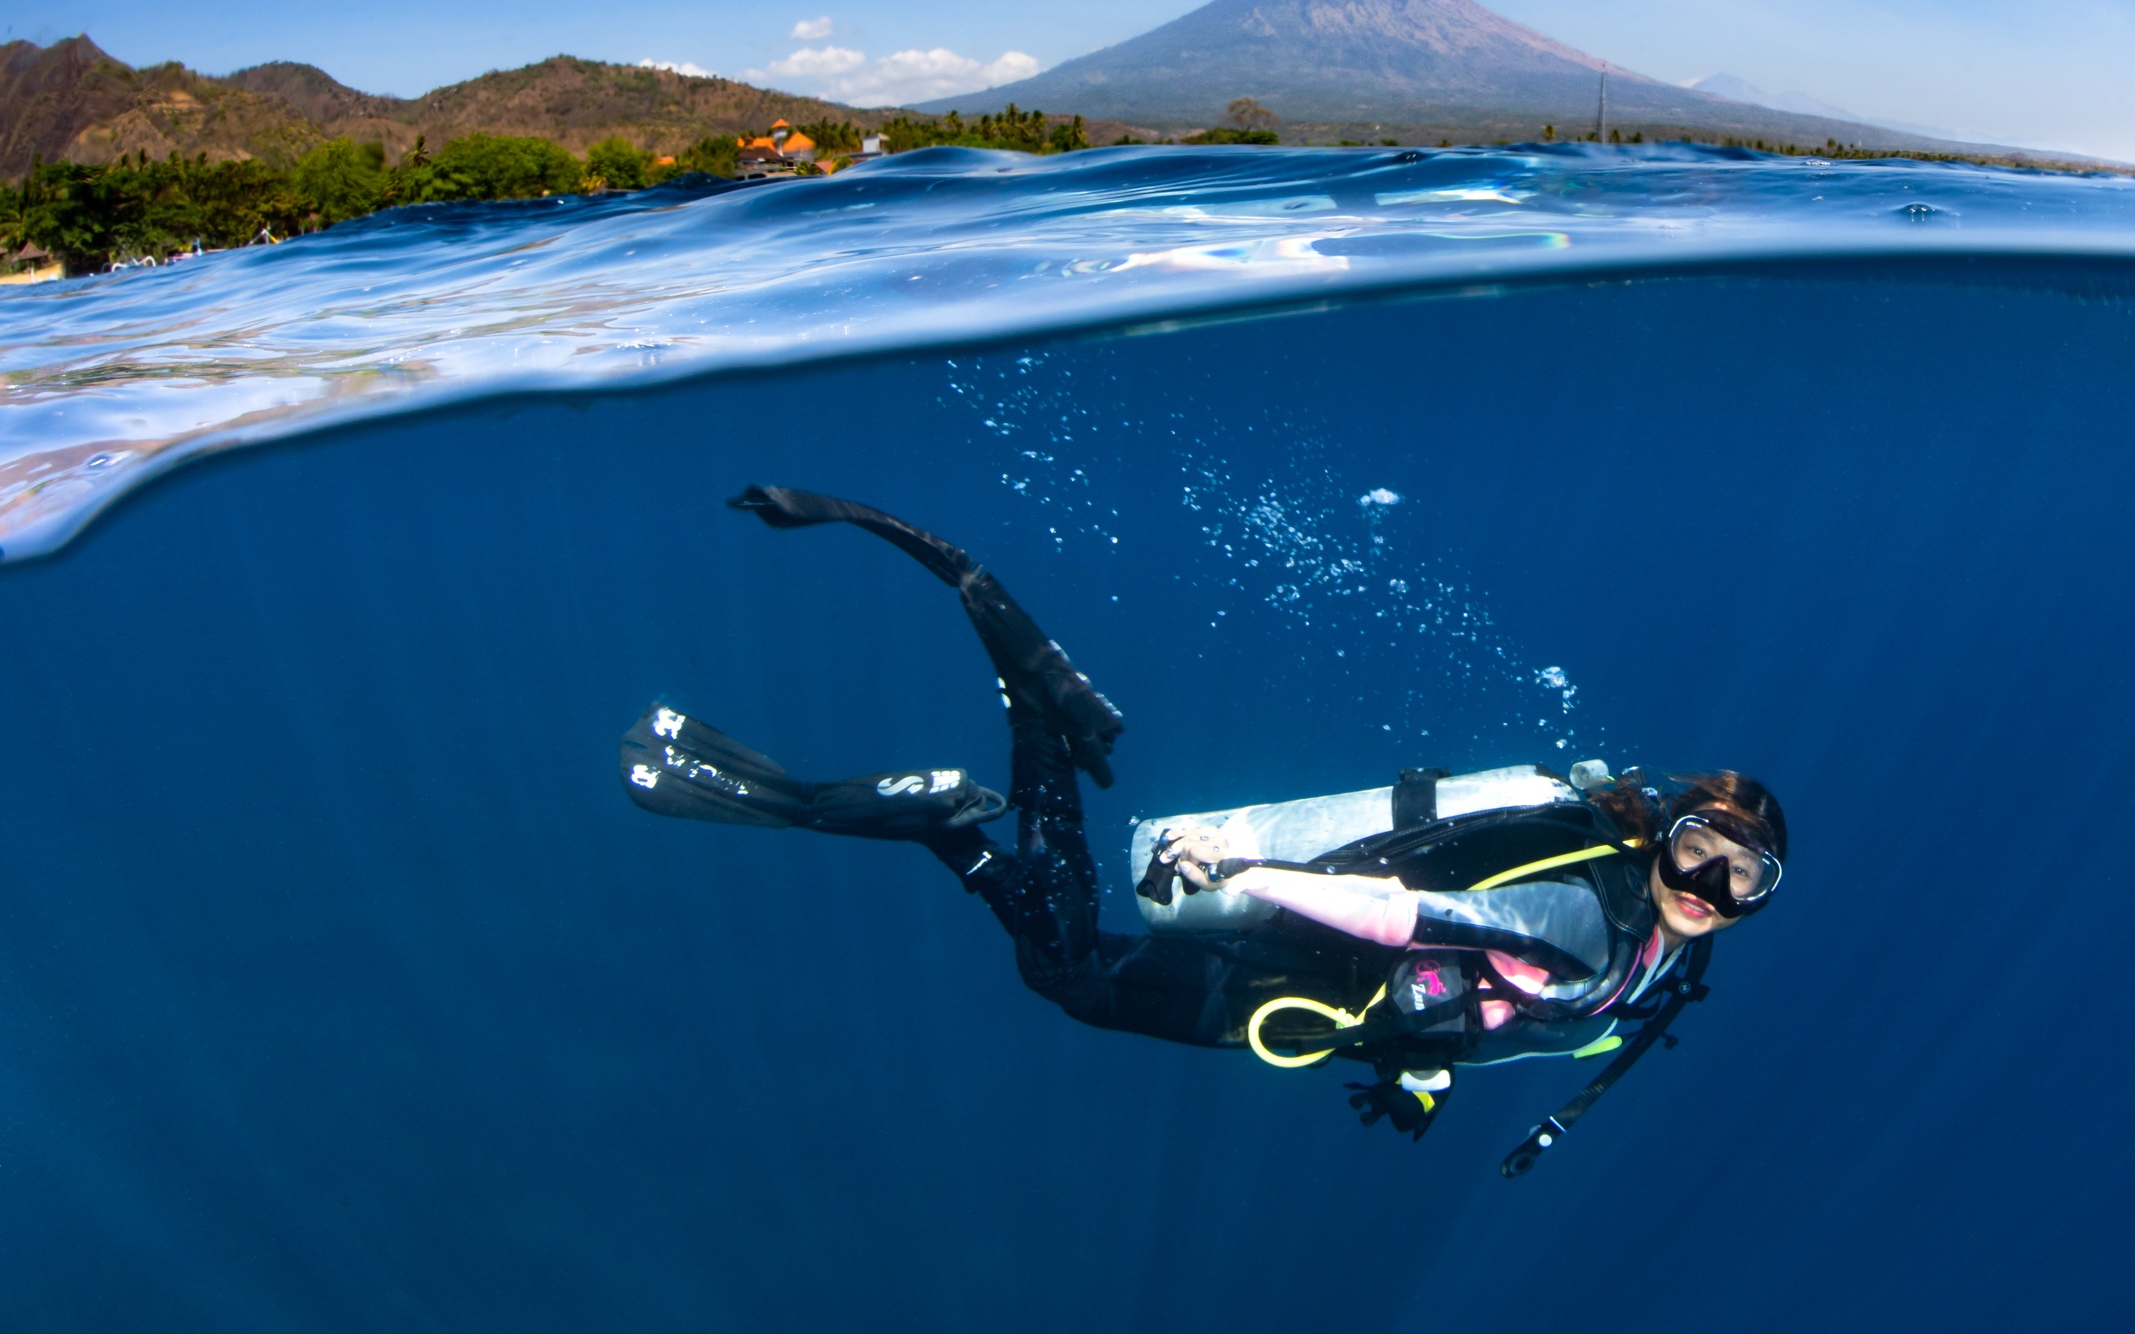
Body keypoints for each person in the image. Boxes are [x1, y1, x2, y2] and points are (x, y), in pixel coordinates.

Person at [620, 487, 1788, 1168]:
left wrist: (1423, 1073)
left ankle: (986, 793)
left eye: (1745, 879)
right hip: (1299, 970)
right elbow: (1409, 910)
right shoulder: (1591, 916)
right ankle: (978, 788)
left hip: (1337, 997)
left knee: (1070, 969)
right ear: (1661, 833)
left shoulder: (1666, 967)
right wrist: (1251, 864)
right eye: (1699, 851)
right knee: (1068, 973)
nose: (1710, 888)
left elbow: (1502, 1012)